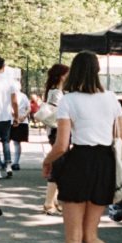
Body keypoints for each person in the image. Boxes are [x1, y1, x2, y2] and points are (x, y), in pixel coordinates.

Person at [42, 51, 122, 243]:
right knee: (91, 235)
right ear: (97, 71)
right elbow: (119, 136)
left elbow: (62, 145)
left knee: (73, 238)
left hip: (79, 163)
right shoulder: (111, 99)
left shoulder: (68, 100)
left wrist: (47, 161)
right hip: (105, 164)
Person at [40, 63, 68, 216]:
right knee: (58, 165)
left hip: (56, 130)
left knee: (59, 164)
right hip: (57, 130)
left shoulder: (54, 91)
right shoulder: (57, 92)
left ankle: (53, 200)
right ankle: (48, 202)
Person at [10, 87, 31, 170]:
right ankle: (16, 162)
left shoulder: (9, 95)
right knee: (17, 142)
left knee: (6, 141)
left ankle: (6, 160)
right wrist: (24, 115)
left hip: (11, 120)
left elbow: (9, 108)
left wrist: (15, 116)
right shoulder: (24, 96)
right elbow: (29, 108)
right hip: (23, 121)